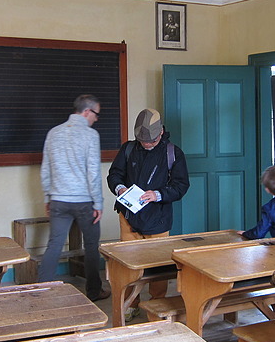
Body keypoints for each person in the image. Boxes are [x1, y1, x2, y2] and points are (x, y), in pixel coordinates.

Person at [107, 108, 190, 320]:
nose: (146, 144)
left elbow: (181, 185)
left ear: (161, 132)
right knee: (127, 263)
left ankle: (156, 304)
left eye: (151, 141)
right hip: (128, 217)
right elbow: (114, 174)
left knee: (159, 266)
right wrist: (119, 188)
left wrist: (159, 194)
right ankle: (131, 302)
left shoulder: (173, 153)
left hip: (158, 218)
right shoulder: (127, 149)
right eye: (142, 141)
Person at [39, 94, 109, 301]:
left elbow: (45, 169)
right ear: (87, 111)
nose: (96, 119)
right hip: (84, 201)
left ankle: (42, 291)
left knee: (54, 244)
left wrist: (47, 197)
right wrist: (98, 202)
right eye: (96, 114)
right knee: (91, 246)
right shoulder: (90, 136)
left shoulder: (54, 133)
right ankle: (94, 291)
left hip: (59, 200)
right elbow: (93, 172)